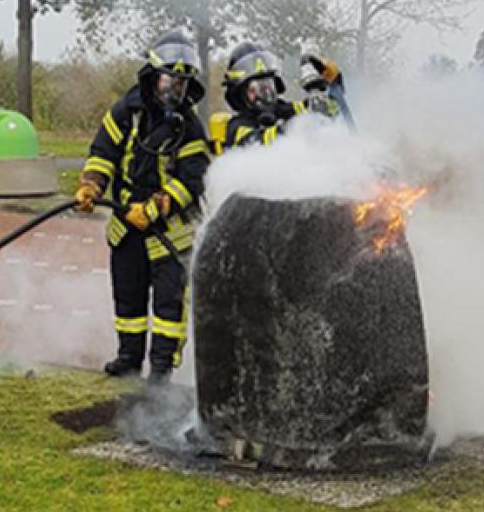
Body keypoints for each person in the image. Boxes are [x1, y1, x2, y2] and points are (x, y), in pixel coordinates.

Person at [75, 29, 210, 383]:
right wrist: (91, 185)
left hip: (170, 234)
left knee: (168, 305)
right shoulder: (125, 112)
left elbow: (192, 180)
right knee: (128, 296)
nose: (173, 90)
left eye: (181, 84)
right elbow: (103, 153)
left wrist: (155, 207)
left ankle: (161, 370)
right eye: (169, 81)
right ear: (153, 77)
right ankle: (129, 357)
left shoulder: (190, 128)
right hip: (126, 228)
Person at [212, 42, 343, 154]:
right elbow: (255, 142)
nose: (266, 93)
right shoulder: (236, 127)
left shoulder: (282, 109)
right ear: (240, 94)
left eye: (268, 85)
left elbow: (321, 108)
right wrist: (294, 128)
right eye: (256, 89)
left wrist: (327, 89)